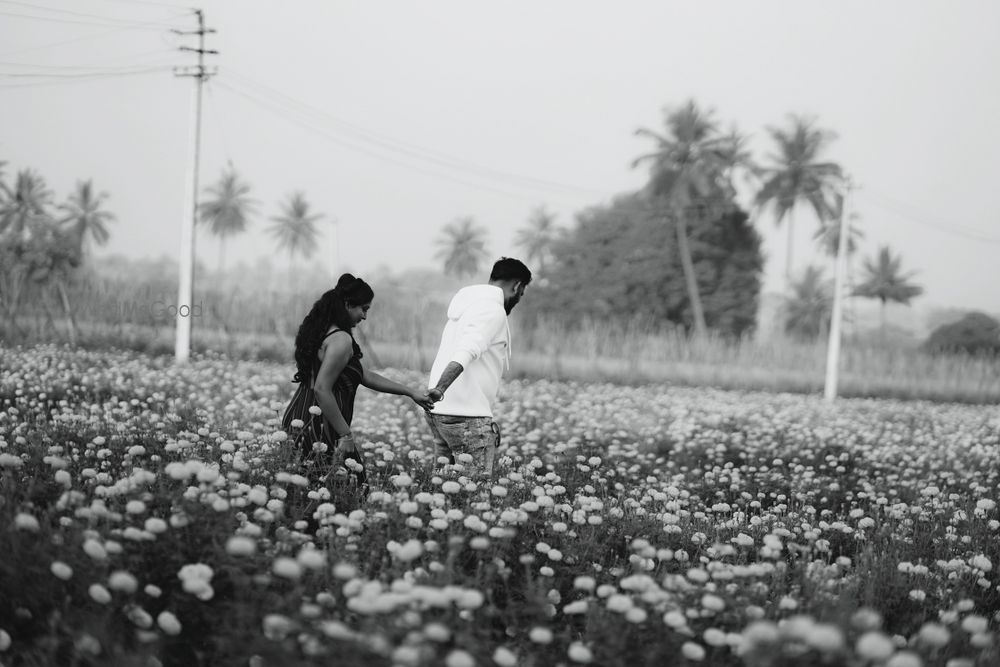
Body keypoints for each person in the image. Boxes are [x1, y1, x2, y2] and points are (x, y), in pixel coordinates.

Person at [282, 273, 435, 488]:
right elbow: (322, 389)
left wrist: (410, 392)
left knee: (306, 490)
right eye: (363, 309)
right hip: (318, 423)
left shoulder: (323, 332)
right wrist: (345, 434)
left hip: (300, 415)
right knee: (349, 488)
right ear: (347, 304)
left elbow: (364, 375)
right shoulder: (341, 340)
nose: (364, 316)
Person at [424, 257, 532, 477]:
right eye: (521, 294)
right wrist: (440, 388)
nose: (519, 299)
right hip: (465, 415)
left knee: (443, 483)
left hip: (441, 412)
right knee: (475, 490)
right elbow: (467, 350)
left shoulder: (467, 307)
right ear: (517, 286)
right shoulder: (492, 310)